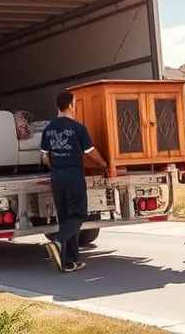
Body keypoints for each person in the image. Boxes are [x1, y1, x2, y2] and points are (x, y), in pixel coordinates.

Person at [41, 91, 107, 273]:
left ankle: (70, 261)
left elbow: (45, 157)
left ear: (57, 107)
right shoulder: (78, 128)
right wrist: (103, 163)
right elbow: (90, 152)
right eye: (75, 103)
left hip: (57, 177)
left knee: (65, 218)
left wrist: (55, 165)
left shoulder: (48, 129)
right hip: (73, 176)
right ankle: (58, 240)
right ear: (71, 105)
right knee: (78, 215)